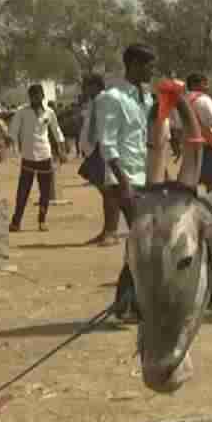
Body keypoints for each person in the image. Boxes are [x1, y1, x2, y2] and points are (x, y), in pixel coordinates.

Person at [99, 43, 156, 322]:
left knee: (140, 238)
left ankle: (125, 305)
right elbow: (108, 145)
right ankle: (126, 304)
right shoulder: (112, 98)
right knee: (142, 237)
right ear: (133, 64)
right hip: (124, 179)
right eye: (148, 65)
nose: (152, 70)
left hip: (142, 176)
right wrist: (124, 183)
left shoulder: (143, 97)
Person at [8, 84, 66, 232]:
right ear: (30, 97)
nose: (35, 98)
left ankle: (42, 220)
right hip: (28, 157)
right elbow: (13, 130)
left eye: (38, 95)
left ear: (42, 96)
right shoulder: (22, 112)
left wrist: (61, 150)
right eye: (32, 96)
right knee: (23, 191)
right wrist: (9, 143)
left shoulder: (49, 112)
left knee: (45, 191)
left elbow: (57, 131)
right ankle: (16, 221)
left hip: (45, 156)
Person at [78, 74, 119, 245]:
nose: (83, 90)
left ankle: (112, 232)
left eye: (86, 86)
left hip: (102, 151)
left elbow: (104, 128)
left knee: (110, 193)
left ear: (95, 85)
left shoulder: (105, 101)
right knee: (105, 194)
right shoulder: (94, 103)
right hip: (93, 152)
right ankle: (106, 230)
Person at [185, 72, 212, 191]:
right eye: (204, 84)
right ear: (194, 85)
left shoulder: (182, 101)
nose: (207, 87)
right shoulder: (203, 100)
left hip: (189, 148)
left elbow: (175, 128)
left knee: (190, 184)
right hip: (206, 148)